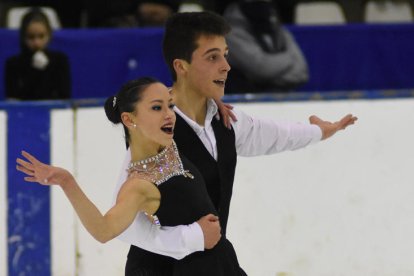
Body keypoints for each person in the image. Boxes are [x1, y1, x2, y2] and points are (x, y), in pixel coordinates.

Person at [113, 11, 357, 274]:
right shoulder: (156, 133)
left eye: (225, 54)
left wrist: (318, 131)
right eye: (212, 57)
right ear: (181, 66)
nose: (226, 66)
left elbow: (274, 135)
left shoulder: (225, 120)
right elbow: (123, 225)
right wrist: (191, 238)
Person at [16, 76, 246, 275]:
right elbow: (104, 230)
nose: (170, 115)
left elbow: (187, 89)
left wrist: (210, 102)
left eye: (170, 106)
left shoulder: (165, 143)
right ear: (129, 119)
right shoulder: (139, 185)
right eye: (157, 108)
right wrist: (67, 181)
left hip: (224, 262)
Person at [223, 0, 309, 93]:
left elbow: (302, 72)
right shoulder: (232, 33)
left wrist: (270, 76)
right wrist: (290, 59)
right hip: (246, 102)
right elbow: (261, 69)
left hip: (283, 99)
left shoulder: (277, 29)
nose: (263, 4)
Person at [4, 8, 71, 100]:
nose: (37, 43)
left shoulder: (60, 60)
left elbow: (64, 97)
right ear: (23, 37)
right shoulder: (13, 64)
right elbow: (13, 98)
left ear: (49, 35)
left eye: (41, 36)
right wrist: (34, 72)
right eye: (31, 37)